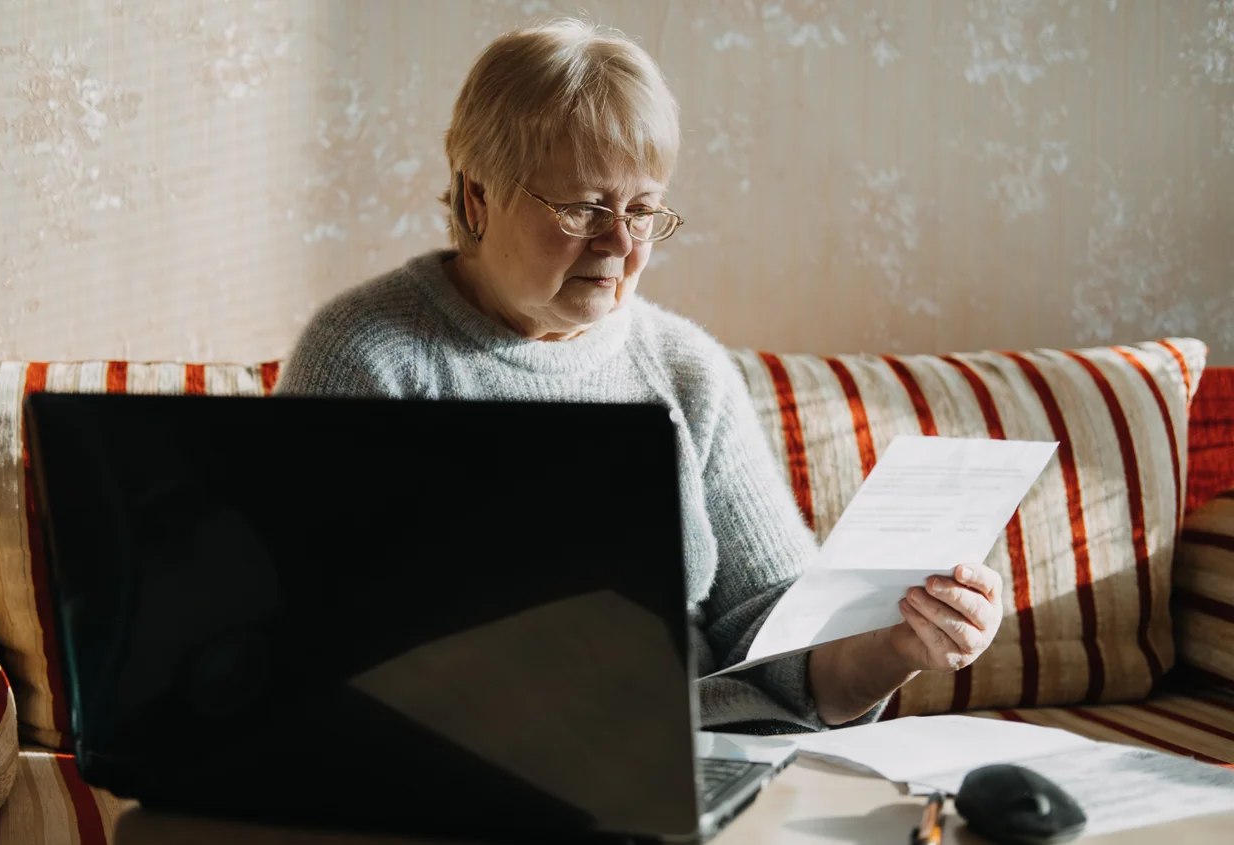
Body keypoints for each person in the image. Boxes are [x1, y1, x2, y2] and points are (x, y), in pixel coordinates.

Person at [276, 18, 1003, 733]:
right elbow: (296, 630)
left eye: (643, 209)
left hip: (694, 752)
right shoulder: (367, 356)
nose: (620, 242)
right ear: (478, 197)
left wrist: (897, 647)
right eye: (584, 207)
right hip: (447, 752)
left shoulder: (685, 370)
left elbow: (786, 648)